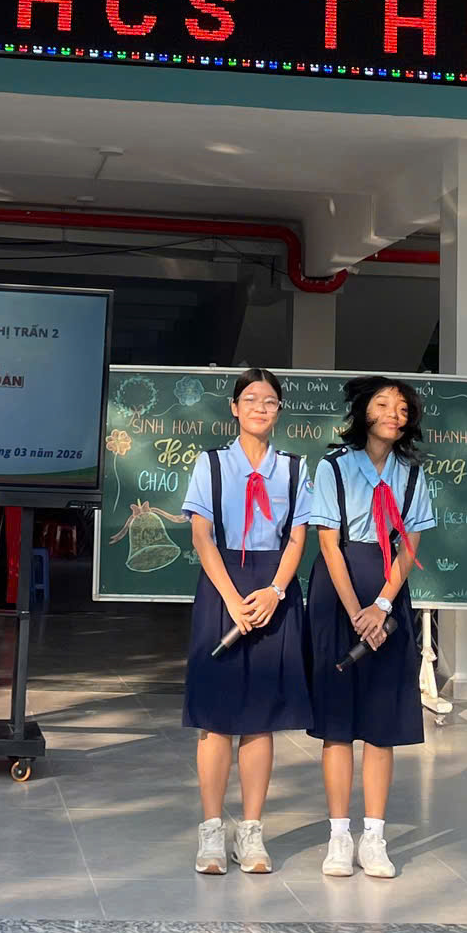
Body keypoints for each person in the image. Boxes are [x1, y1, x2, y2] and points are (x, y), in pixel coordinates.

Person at [299, 375, 437, 881]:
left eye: (402, 408)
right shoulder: (334, 467)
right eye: (383, 404)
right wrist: (356, 609)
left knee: (382, 722)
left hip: (388, 593)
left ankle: (374, 837)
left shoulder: (413, 474)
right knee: (337, 722)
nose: (394, 414)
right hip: (338, 594)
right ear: (363, 412)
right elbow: (327, 543)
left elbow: (410, 547)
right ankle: (339, 835)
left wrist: (380, 605)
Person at [179, 366, 311, 876]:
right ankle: (212, 831)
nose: (260, 407)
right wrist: (233, 599)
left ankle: (251, 832)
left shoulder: (294, 469)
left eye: (270, 400)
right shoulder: (211, 464)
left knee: (261, 717)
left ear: (279, 411)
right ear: (234, 408)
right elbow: (201, 536)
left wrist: (276, 591)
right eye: (251, 399)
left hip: (273, 587)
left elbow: (297, 537)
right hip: (223, 588)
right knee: (215, 717)